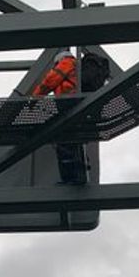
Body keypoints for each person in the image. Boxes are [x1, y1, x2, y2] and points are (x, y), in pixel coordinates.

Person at [31, 50, 88, 185]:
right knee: (73, 141)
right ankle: (77, 175)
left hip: (67, 103)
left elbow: (50, 81)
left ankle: (70, 177)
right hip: (76, 103)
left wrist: (34, 98)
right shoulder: (77, 66)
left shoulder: (66, 63)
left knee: (63, 139)